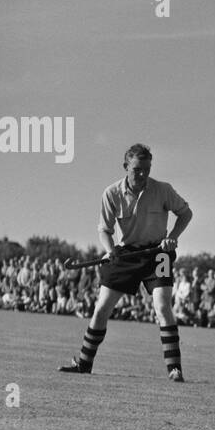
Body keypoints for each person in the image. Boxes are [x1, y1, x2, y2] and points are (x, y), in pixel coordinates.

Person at [59, 144, 192, 380]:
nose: (143, 174)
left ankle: (175, 369)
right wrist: (110, 251)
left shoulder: (163, 190)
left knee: (162, 307)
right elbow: (104, 230)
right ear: (125, 167)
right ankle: (84, 363)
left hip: (158, 254)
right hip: (125, 254)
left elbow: (185, 213)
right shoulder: (111, 193)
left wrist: (172, 237)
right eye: (137, 169)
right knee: (101, 309)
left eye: (147, 169)